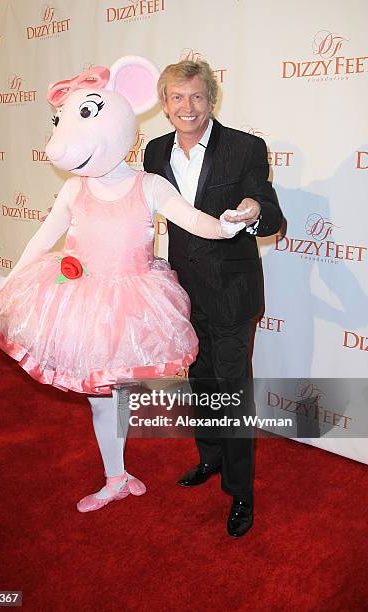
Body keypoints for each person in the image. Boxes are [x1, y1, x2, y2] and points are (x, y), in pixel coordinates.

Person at [0, 57, 242, 514]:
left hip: (135, 305)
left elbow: (194, 221)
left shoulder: (150, 184)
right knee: (100, 400)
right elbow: (45, 235)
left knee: (122, 397)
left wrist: (229, 226)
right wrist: (14, 276)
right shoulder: (74, 189)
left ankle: (174, 463)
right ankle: (115, 477)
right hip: (80, 302)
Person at [143, 59, 282, 537]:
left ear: (211, 100)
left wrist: (254, 209)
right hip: (182, 291)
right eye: (177, 98)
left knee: (232, 390)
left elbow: (270, 208)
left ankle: (240, 491)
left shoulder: (245, 147)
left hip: (231, 292)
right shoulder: (154, 152)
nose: (188, 107)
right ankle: (210, 458)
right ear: (164, 105)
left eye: (197, 96)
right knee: (200, 382)